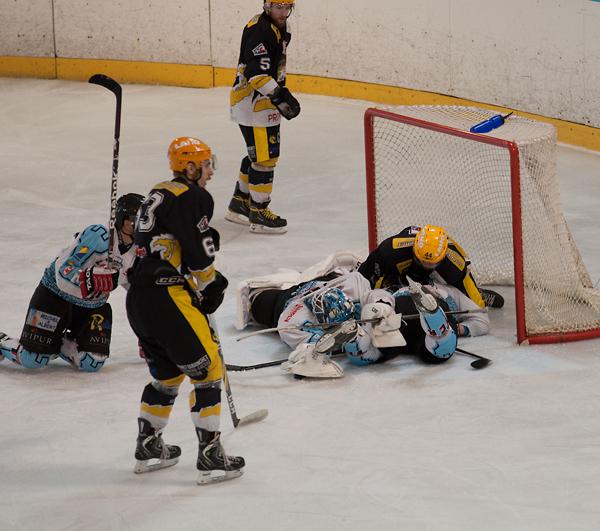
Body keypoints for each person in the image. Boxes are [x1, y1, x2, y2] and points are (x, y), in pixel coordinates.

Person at [126, 137, 244, 485]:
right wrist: (209, 284)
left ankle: (148, 444)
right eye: (206, 164)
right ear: (190, 167)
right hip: (168, 297)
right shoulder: (193, 196)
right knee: (209, 370)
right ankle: (211, 454)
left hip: (139, 298)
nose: (210, 171)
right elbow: (197, 251)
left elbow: (170, 240)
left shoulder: (160, 192)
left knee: (167, 375)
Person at [236, 252, 489, 376]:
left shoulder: (292, 319)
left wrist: (381, 308)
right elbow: (369, 291)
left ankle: (432, 321)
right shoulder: (292, 316)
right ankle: (359, 337)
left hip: (393, 320)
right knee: (364, 353)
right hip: (391, 330)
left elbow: (372, 293)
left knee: (434, 349)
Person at [0, 193, 145, 372]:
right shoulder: (98, 237)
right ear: (121, 219)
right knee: (33, 359)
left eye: (142, 219)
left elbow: (139, 294)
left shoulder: (139, 251)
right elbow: (62, 272)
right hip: (55, 297)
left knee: (92, 362)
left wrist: (148, 335)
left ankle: (57, 343)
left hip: (91, 307)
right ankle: (2, 342)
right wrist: (91, 279)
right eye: (133, 219)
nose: (138, 224)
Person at [227, 0, 301, 234]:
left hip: (259, 102)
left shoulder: (278, 26)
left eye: (287, 8)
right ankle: (259, 213)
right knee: (266, 158)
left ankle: (240, 203)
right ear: (267, 6)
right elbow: (256, 74)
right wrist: (279, 96)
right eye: (278, 7)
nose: (283, 12)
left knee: (257, 154)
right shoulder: (260, 31)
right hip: (255, 104)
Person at [358, 224, 505, 309]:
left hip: (437, 275)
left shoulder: (454, 266)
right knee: (374, 287)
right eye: (422, 261)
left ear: (442, 257)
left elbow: (474, 305)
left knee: (467, 297)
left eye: (431, 263)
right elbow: (364, 275)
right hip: (400, 268)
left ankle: (481, 293)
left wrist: (477, 302)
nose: (426, 265)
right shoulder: (390, 252)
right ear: (414, 250)